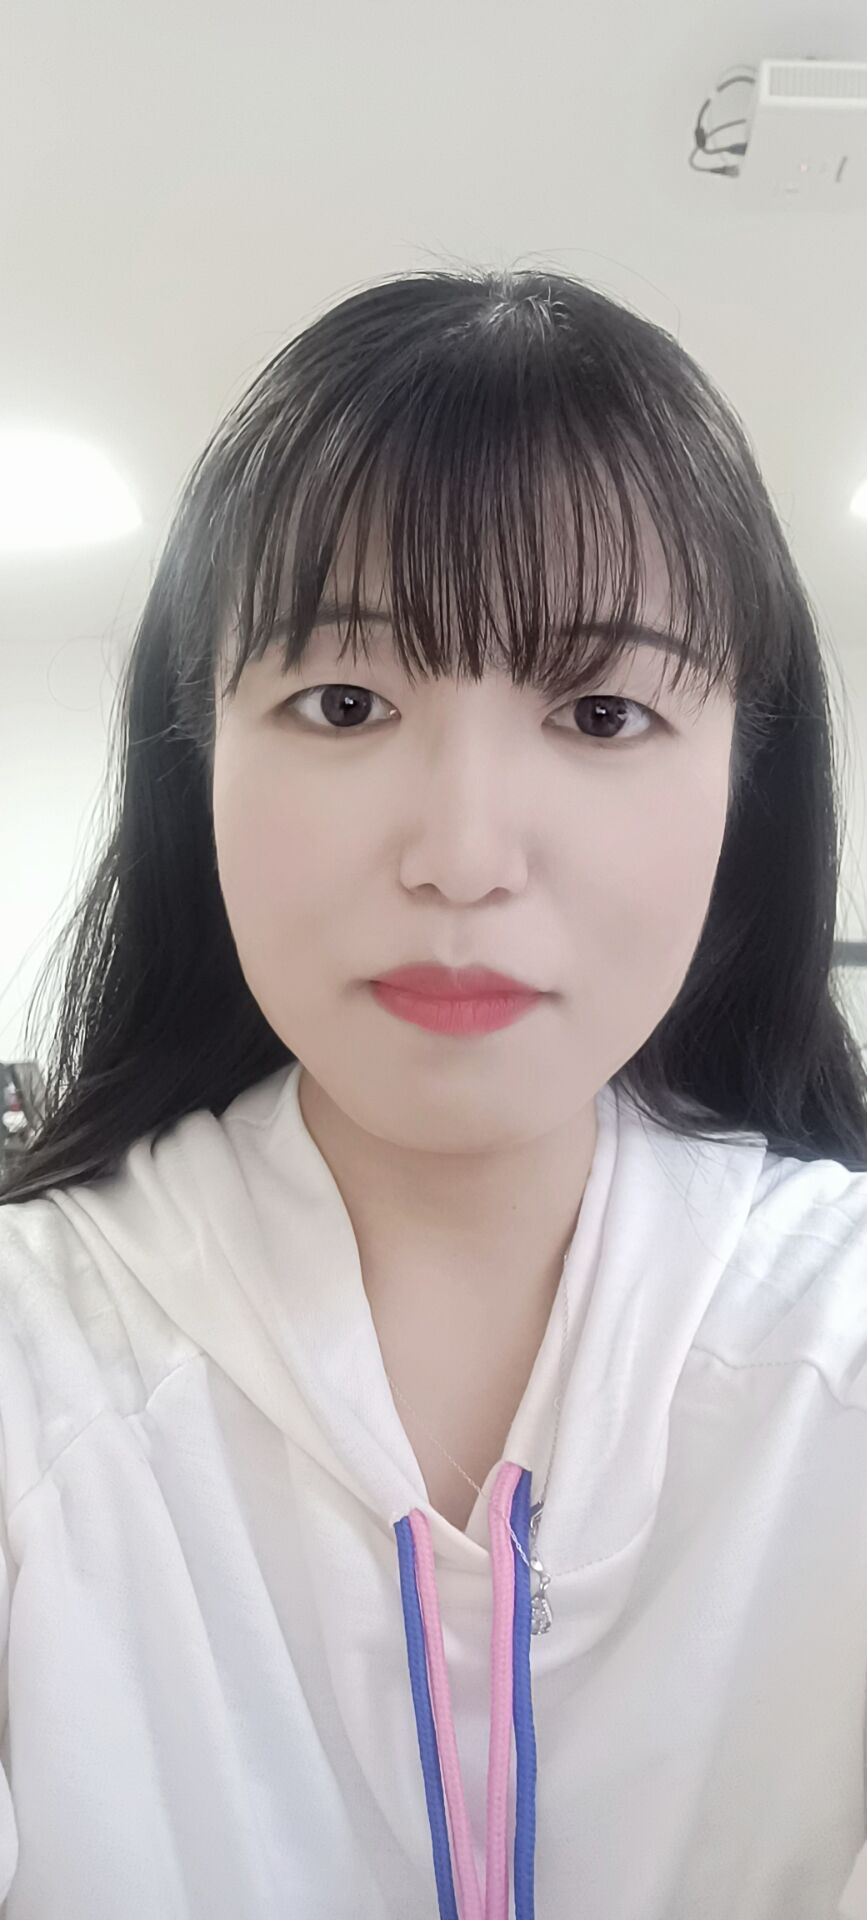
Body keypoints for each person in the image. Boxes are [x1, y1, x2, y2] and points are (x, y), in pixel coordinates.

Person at [1, 265, 867, 1920]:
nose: (463, 856)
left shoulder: (840, 1353)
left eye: (602, 711)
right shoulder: (32, 1375)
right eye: (344, 703)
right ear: (197, 764)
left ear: (745, 794)